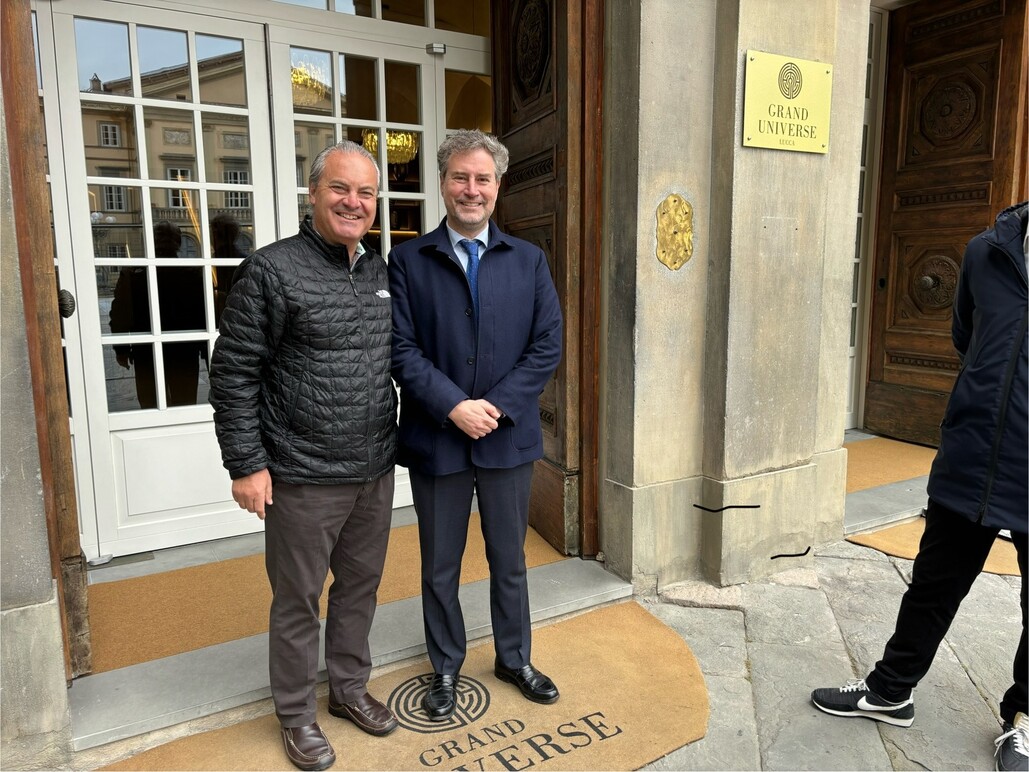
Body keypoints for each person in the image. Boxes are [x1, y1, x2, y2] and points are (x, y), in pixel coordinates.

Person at [812, 202, 1028, 772]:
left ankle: (1024, 720)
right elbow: (967, 338)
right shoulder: (988, 251)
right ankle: (889, 693)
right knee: (933, 584)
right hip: (973, 455)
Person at [209, 140, 398, 771]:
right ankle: (296, 715)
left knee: (360, 590)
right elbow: (233, 373)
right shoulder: (270, 269)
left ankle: (347, 689)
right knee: (298, 600)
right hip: (301, 474)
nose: (354, 202)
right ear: (313, 194)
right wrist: (246, 463)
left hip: (372, 470)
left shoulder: (377, 270)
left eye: (366, 193)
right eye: (341, 189)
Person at [388, 129, 563, 721]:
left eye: (482, 178)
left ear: (498, 186)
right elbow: (401, 348)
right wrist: (452, 405)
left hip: (507, 439)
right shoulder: (408, 260)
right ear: (442, 183)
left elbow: (546, 345)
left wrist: (495, 406)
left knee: (509, 560)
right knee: (440, 564)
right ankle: (444, 665)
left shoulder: (529, 259)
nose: (471, 189)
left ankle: (514, 658)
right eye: (460, 177)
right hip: (438, 439)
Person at [110, 220, 205, 408]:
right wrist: (205, 347)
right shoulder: (193, 273)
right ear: (178, 243)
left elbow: (121, 313)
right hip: (184, 349)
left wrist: (121, 348)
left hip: (147, 348)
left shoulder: (135, 274)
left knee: (151, 405)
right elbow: (203, 313)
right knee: (184, 403)